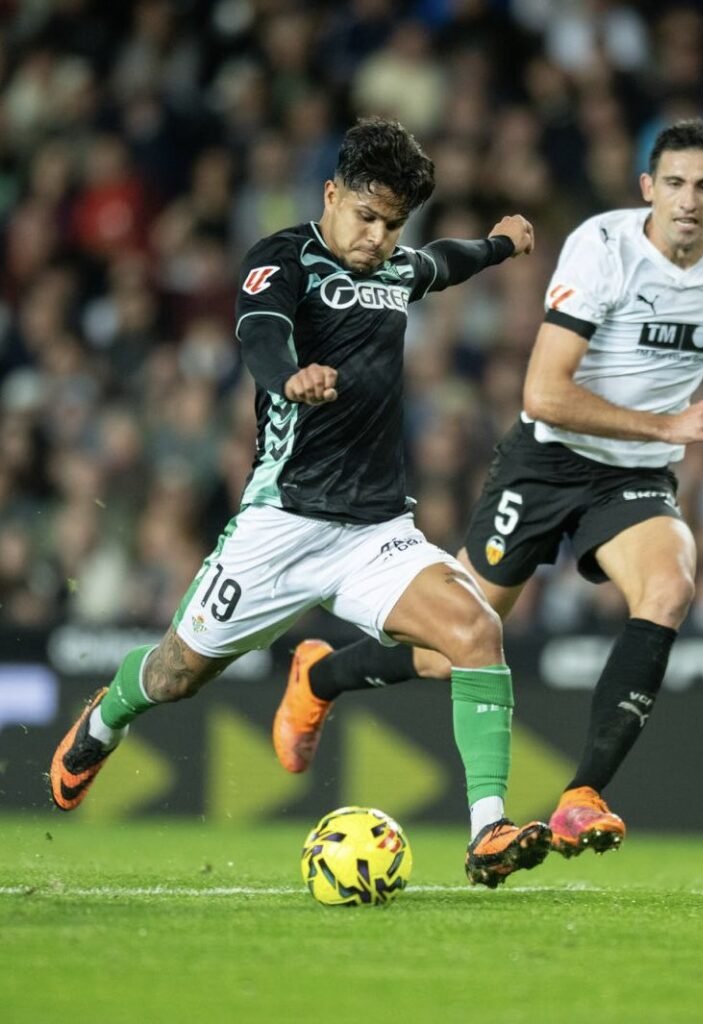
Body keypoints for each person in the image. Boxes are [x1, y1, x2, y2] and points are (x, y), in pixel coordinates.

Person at [49, 116, 549, 888]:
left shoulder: (392, 267)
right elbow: (259, 331)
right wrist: (286, 375)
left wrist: (500, 244)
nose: (378, 237)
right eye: (366, 216)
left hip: (376, 529)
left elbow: (439, 264)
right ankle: (104, 719)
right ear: (330, 193)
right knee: (178, 675)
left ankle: (487, 833)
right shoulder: (283, 258)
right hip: (280, 526)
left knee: (475, 632)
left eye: (392, 224)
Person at [272, 119, 703, 857]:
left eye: (701, 186)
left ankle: (580, 795)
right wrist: (666, 426)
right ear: (646, 190)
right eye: (671, 184)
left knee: (669, 585)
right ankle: (322, 673)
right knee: (452, 650)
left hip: (629, 476)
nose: (685, 201)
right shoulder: (603, 250)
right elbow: (541, 394)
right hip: (547, 460)